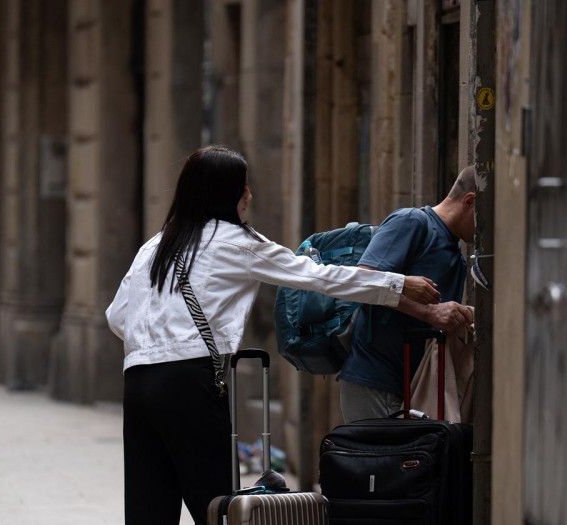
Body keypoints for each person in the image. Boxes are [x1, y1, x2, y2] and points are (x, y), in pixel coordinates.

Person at [105, 145, 439, 524]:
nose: (248, 195)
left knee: (149, 507)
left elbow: (116, 315)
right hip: (188, 382)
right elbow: (319, 276)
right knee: (216, 507)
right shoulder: (237, 242)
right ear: (224, 193)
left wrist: (156, 343)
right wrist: (397, 284)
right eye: (243, 187)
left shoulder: (155, 245)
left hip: (137, 381)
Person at [338, 166, 478, 422]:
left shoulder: (456, 256)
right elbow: (363, 281)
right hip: (375, 381)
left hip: (416, 388)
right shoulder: (411, 222)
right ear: (469, 201)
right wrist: (429, 312)